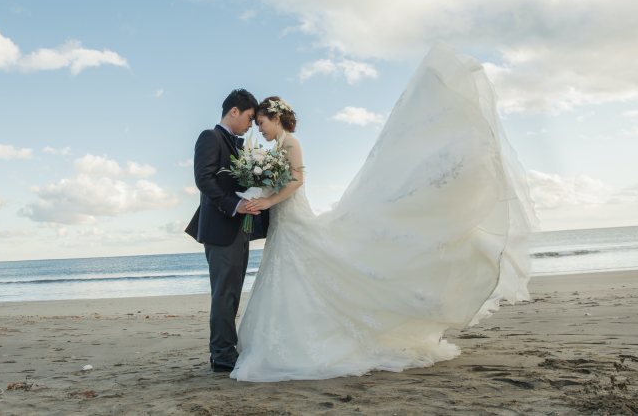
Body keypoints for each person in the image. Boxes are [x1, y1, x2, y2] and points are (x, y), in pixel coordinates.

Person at [230, 42, 539, 382]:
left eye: (261, 123)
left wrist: (269, 201)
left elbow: (298, 181)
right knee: (292, 276)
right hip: (283, 224)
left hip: (291, 219)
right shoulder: (277, 148)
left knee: (304, 273)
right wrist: (259, 190)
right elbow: (281, 181)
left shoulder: (289, 142)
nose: (259, 129)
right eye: (256, 124)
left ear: (275, 117)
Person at [185, 89, 270, 373]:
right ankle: (222, 356)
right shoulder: (210, 137)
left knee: (231, 292)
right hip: (222, 228)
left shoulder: (235, 144)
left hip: (238, 230)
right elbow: (204, 179)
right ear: (234, 111)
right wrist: (236, 206)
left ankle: (224, 350)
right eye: (248, 118)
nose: (250, 125)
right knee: (224, 293)